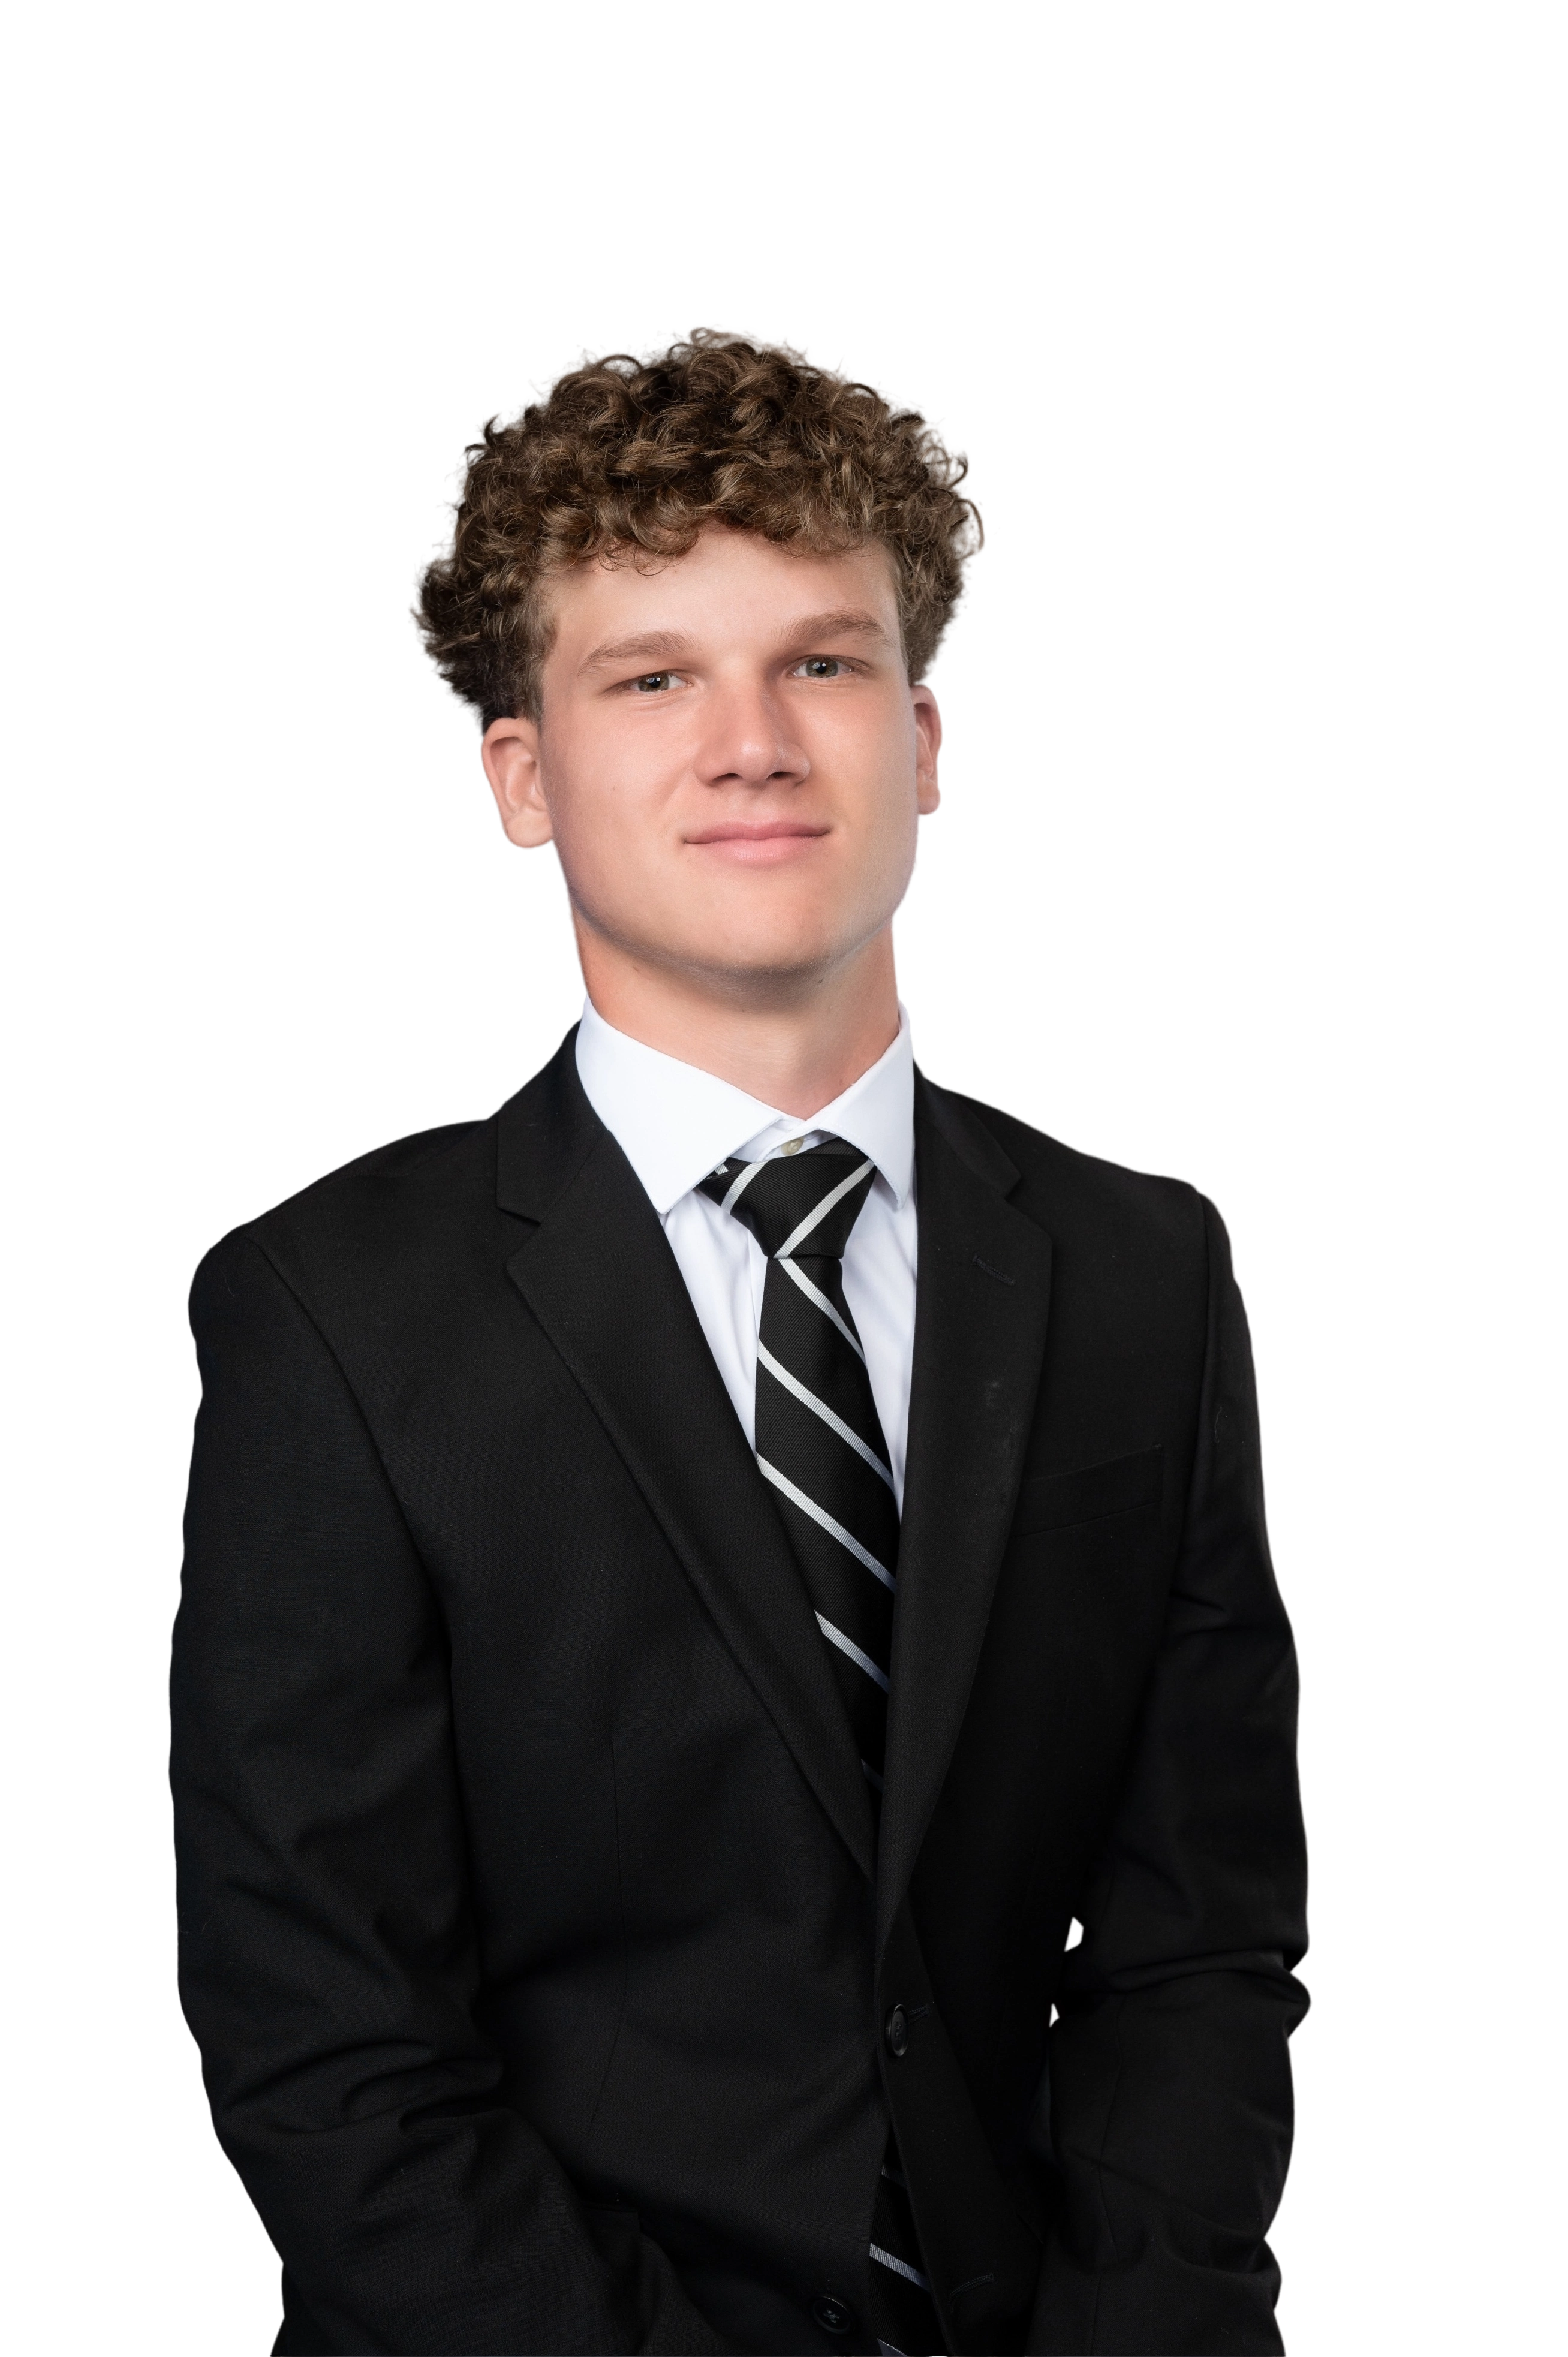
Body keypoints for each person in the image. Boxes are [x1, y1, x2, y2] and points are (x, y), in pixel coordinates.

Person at [168, 323, 1311, 2357]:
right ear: (522, 782)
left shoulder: (1141, 1269)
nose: (752, 742)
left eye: (822, 663)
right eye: (650, 679)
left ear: (924, 741)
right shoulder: (327, 1308)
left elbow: (1198, 1939)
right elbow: (328, 2043)